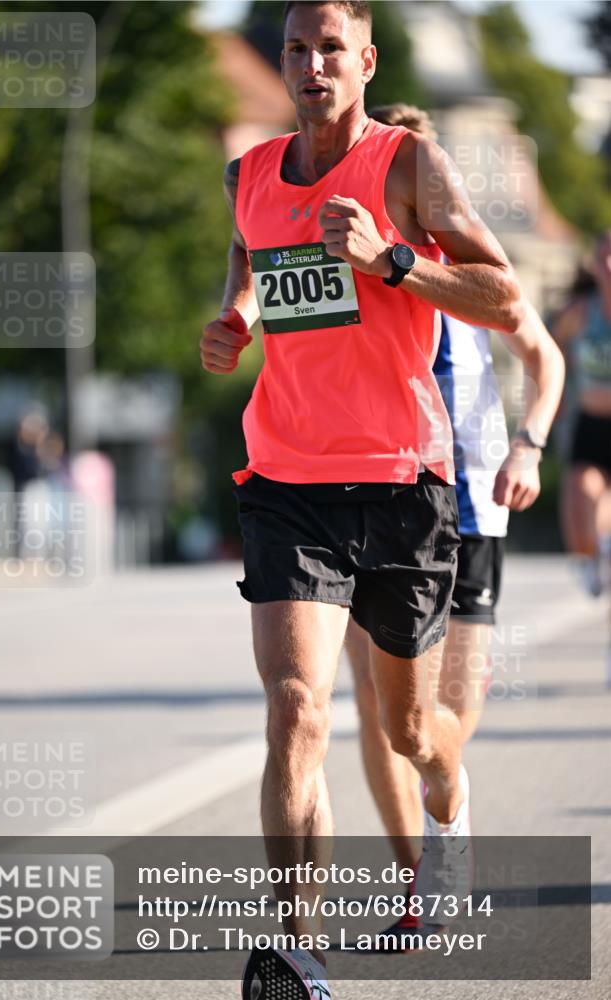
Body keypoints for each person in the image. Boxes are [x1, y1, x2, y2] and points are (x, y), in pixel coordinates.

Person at [200, 3, 524, 995]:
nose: (309, 65)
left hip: (400, 483)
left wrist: (391, 258)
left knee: (409, 734)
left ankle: (446, 812)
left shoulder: (406, 166)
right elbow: (251, 262)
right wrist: (232, 322)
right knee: (296, 708)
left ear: (365, 60)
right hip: (287, 479)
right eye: (294, 49)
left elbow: (503, 295)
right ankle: (299, 948)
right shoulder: (247, 173)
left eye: (329, 49)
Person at [345, 104, 565, 941]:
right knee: (379, 711)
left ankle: (444, 825)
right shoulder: (358, 263)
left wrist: (529, 447)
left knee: (443, 726)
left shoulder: (464, 275)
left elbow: (542, 356)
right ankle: (420, 880)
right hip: (378, 500)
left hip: (472, 509)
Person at [552, 231, 611, 599]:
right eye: (604, 257)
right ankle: (590, 559)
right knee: (579, 491)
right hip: (589, 423)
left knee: (601, 502)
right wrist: (553, 399)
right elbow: (547, 352)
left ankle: (603, 551)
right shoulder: (580, 312)